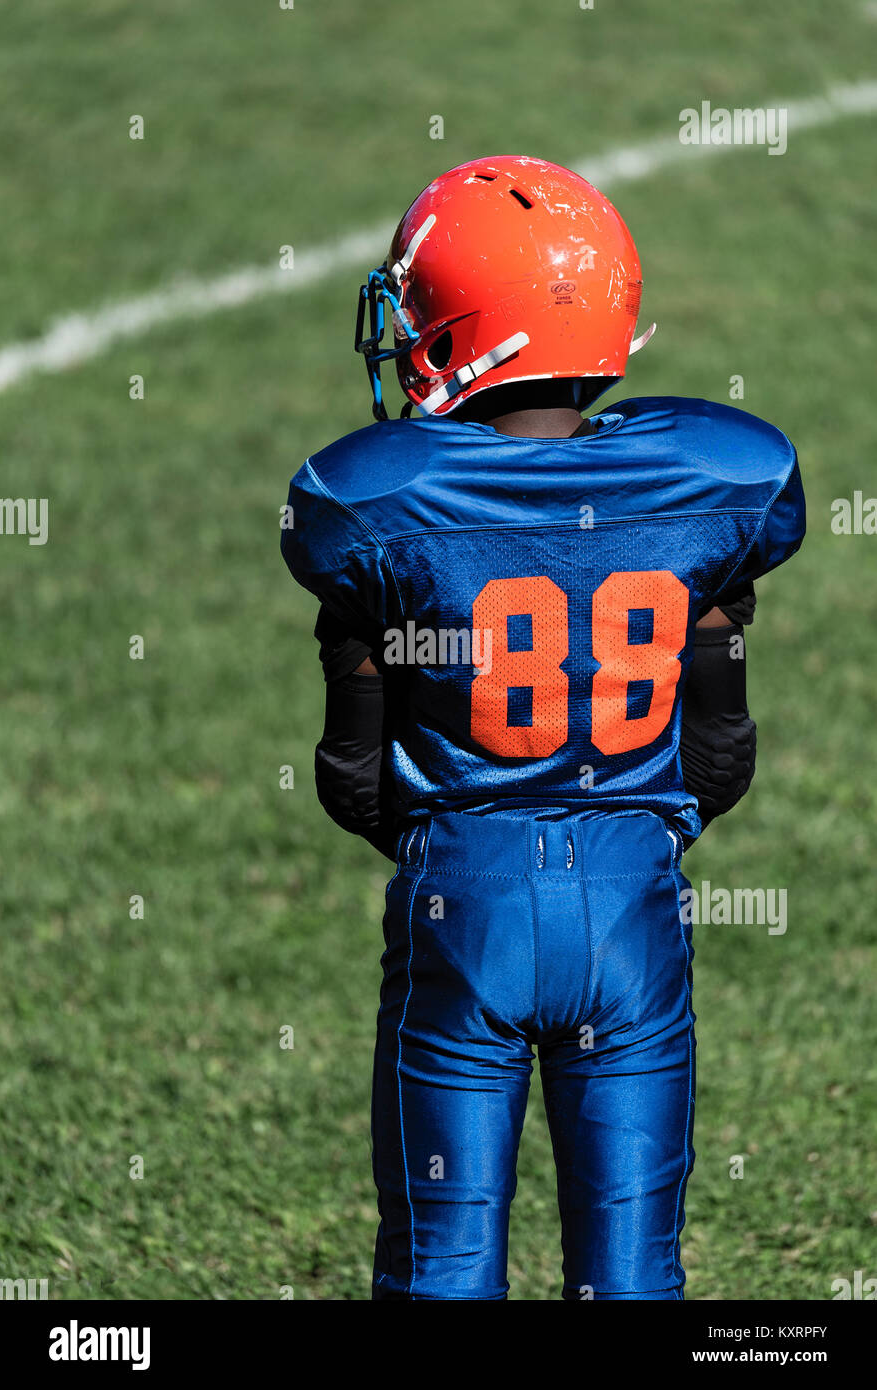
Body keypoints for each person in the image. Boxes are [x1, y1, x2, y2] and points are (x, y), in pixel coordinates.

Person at [281, 156, 805, 1300]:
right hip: (631, 913)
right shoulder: (713, 477)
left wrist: (455, 838)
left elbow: (351, 779)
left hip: (460, 905)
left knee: (441, 1268)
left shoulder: (370, 503)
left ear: (452, 324)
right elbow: (720, 757)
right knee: (631, 1278)